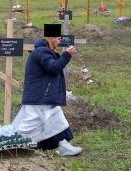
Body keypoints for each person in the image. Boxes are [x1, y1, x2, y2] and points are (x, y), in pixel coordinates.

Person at [11, 24, 83, 157]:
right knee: (35, 124)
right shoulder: (42, 52)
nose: (59, 40)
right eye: (57, 38)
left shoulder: (45, 52)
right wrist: (67, 55)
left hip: (40, 96)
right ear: (50, 38)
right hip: (40, 96)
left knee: (47, 120)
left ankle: (62, 146)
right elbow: (53, 68)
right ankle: (13, 145)